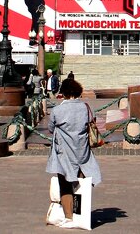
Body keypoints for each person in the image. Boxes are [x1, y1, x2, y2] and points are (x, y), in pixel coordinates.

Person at [45, 77, 101, 229]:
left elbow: (50, 128)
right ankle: (81, 213)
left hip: (64, 153)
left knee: (65, 184)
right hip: (82, 151)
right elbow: (91, 122)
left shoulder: (57, 110)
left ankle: (69, 216)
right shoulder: (85, 107)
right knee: (81, 184)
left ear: (63, 93)